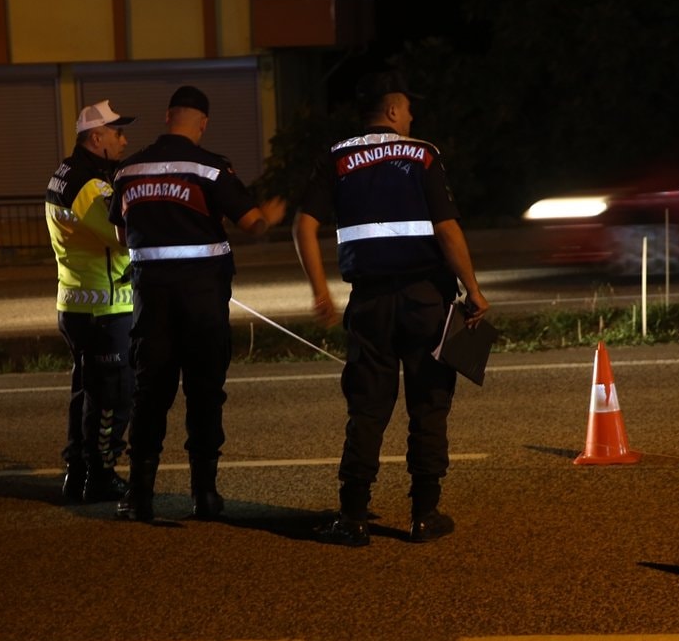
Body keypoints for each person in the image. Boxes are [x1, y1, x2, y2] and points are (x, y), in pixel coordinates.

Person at [292, 70, 490, 547]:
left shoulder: (336, 158)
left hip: (370, 302)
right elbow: (447, 230)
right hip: (426, 300)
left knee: (367, 407)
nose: (412, 117)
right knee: (429, 404)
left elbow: (303, 226)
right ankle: (424, 515)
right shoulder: (423, 154)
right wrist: (473, 290)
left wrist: (321, 292)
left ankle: (353, 516)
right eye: (409, 109)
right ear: (394, 110)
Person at [109, 85, 286, 522]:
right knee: (204, 393)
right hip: (203, 303)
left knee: (150, 393)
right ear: (202, 123)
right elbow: (252, 223)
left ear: (168, 116)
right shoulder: (210, 168)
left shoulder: (128, 170)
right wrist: (269, 217)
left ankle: (139, 496)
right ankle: (204, 496)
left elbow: (121, 236)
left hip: (151, 302)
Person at [45, 99, 137, 504]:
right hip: (105, 307)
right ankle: (100, 474)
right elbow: (122, 236)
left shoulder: (64, 173)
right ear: (96, 137)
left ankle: (78, 472)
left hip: (76, 302)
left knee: (86, 393)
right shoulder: (89, 186)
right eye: (118, 132)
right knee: (112, 396)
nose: (124, 140)